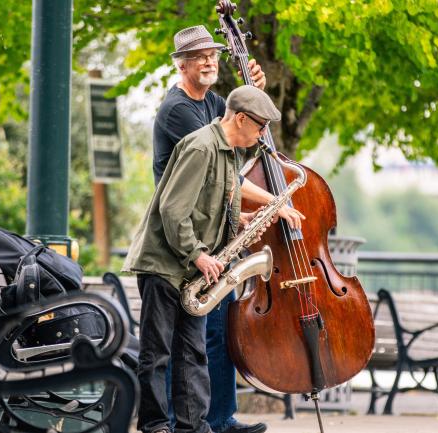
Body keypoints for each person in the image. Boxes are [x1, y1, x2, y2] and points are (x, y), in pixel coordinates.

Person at [153, 26, 304, 433]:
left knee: (214, 334)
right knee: (186, 343)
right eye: (199, 56)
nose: (208, 62)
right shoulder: (178, 111)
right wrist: (271, 203)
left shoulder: (214, 102)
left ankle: (218, 418)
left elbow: (241, 132)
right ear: (181, 65)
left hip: (210, 235)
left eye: (213, 55)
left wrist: (255, 92)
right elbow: (224, 172)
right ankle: (181, 422)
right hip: (183, 241)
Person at [123, 84, 284, 433]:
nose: (261, 137)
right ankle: (155, 427)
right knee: (158, 353)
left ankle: (193, 428)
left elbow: (207, 203)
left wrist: (240, 222)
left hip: (191, 272)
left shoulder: (228, 152)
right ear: (240, 118)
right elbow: (172, 209)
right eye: (259, 128)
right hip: (166, 265)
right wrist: (199, 255)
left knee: (193, 353)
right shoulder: (200, 146)